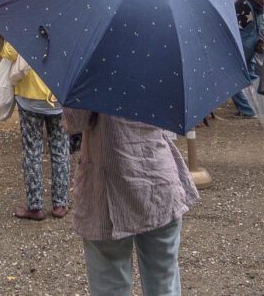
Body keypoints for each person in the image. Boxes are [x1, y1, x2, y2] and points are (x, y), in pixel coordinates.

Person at [62, 108, 198, 296]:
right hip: (159, 181)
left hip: (104, 189)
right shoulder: (161, 78)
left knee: (109, 284)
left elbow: (74, 122)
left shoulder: (92, 79)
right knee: (163, 285)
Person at [1, 41, 70, 221]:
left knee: (32, 151)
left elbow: (9, 53)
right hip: (58, 94)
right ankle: (60, 204)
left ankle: (35, 207)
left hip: (28, 95)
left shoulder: (24, 19)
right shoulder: (66, 20)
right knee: (61, 150)